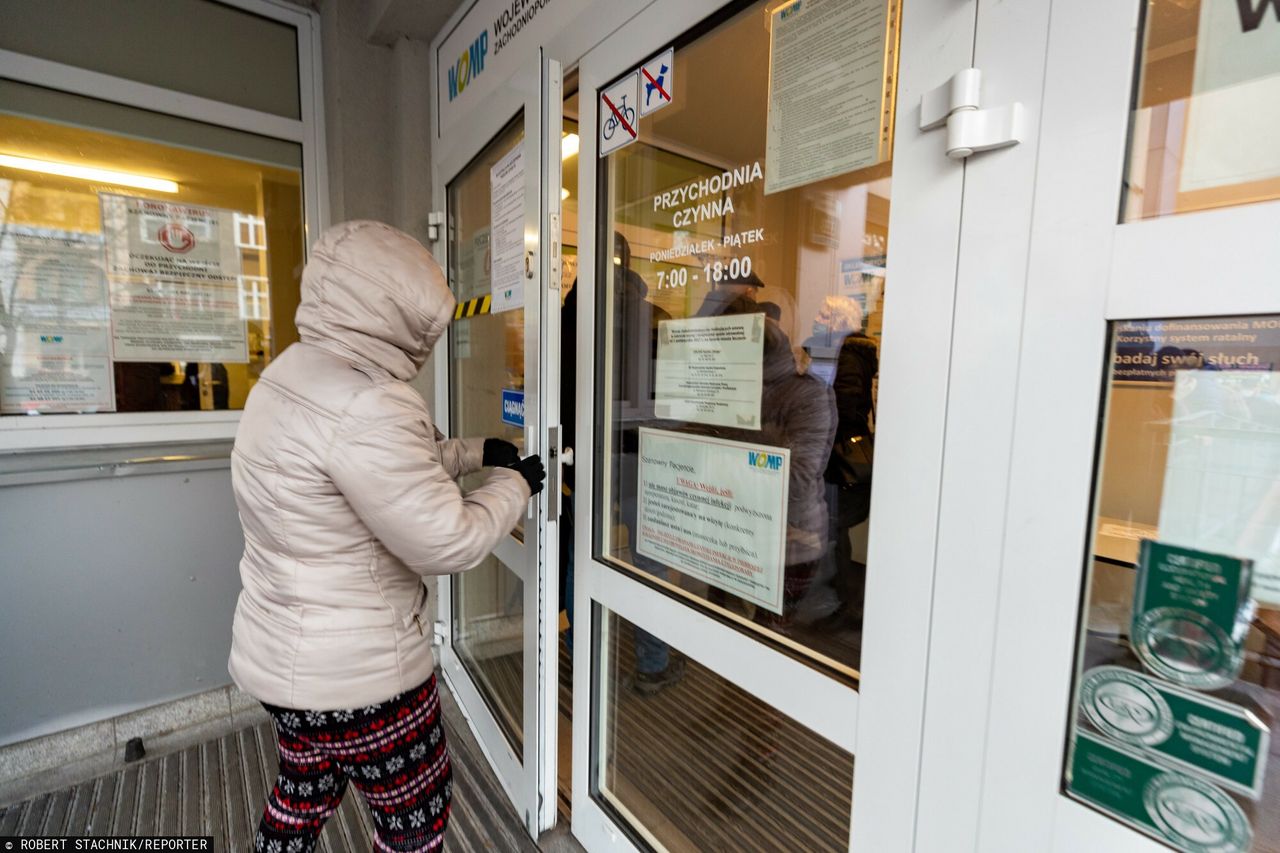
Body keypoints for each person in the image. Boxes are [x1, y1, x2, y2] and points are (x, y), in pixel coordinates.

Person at [227, 221, 545, 853]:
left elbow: (385, 470)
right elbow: (448, 539)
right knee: (415, 820)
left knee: (304, 792)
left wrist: (479, 451)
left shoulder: (288, 376)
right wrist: (519, 484)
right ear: (405, 318)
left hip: (283, 663)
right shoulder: (370, 402)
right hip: (363, 683)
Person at [804, 295, 877, 628]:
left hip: (839, 455)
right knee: (835, 526)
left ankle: (852, 607)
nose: (817, 317)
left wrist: (816, 406)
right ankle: (845, 591)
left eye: (824, 313)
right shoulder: (835, 350)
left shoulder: (848, 355)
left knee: (836, 527)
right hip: (833, 453)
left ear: (840, 321)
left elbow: (846, 407)